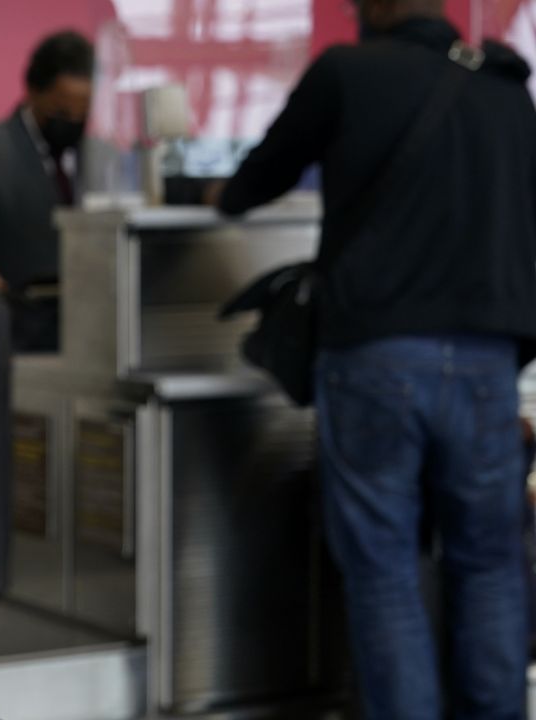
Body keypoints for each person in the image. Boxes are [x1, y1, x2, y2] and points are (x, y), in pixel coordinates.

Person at [214, 1, 536, 717]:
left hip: (376, 358)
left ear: (376, 8)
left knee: (384, 569)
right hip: (487, 364)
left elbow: (251, 186)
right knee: (490, 564)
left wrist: (213, 189)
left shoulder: (348, 72)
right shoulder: (506, 88)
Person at [0, 30, 93, 352]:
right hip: (18, 329)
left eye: (83, 114)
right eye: (62, 113)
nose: (74, 122)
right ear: (32, 91)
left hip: (93, 326)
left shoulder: (104, 153)